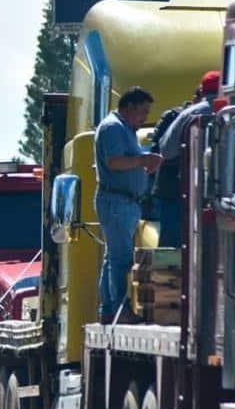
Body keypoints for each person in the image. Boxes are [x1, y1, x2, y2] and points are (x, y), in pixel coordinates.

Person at [95, 87, 163, 325]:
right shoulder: (113, 128)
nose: (145, 117)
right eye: (143, 111)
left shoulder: (124, 128)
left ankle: (108, 308)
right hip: (117, 200)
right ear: (129, 107)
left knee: (112, 258)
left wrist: (142, 166)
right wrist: (144, 160)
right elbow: (114, 162)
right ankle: (120, 310)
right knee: (121, 259)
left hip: (123, 201)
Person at [153, 70, 222, 247]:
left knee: (173, 251)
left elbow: (166, 150)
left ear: (202, 90)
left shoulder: (187, 114)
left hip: (181, 193)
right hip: (223, 195)